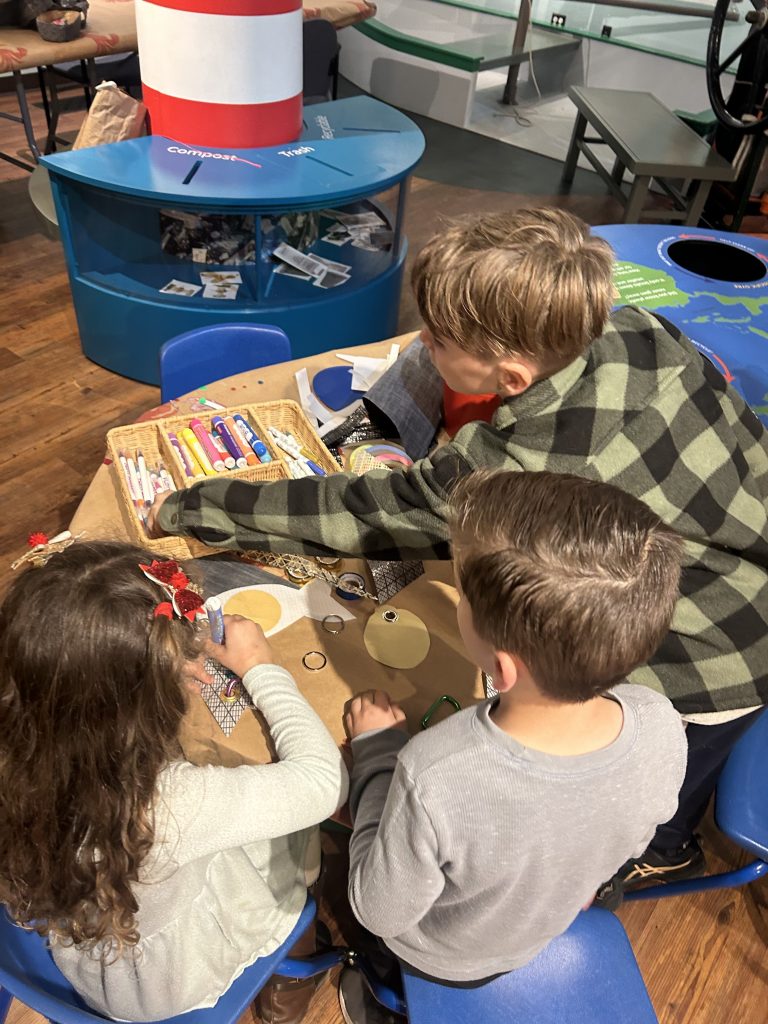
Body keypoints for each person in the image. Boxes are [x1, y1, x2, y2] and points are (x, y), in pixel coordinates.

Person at [147, 207, 768, 896]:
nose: (422, 343)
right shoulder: (638, 329)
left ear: (508, 376)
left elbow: (358, 512)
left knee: (652, 803)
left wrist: (198, 503)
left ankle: (661, 851)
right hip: (743, 573)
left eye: (438, 339)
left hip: (713, 660)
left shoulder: (513, 463)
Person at [338, 470, 688, 1022]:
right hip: (544, 925)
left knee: (364, 923)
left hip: (440, 955)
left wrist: (377, 752)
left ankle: (380, 993)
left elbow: (380, 908)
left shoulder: (434, 771)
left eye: (460, 598)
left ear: (502, 666)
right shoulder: (662, 721)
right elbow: (636, 831)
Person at [0, 541, 348, 1024]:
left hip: (83, 926)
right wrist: (261, 668)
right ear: (143, 706)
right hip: (161, 980)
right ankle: (287, 984)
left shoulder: (22, 748)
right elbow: (322, 783)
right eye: (177, 664)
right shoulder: (166, 804)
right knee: (298, 837)